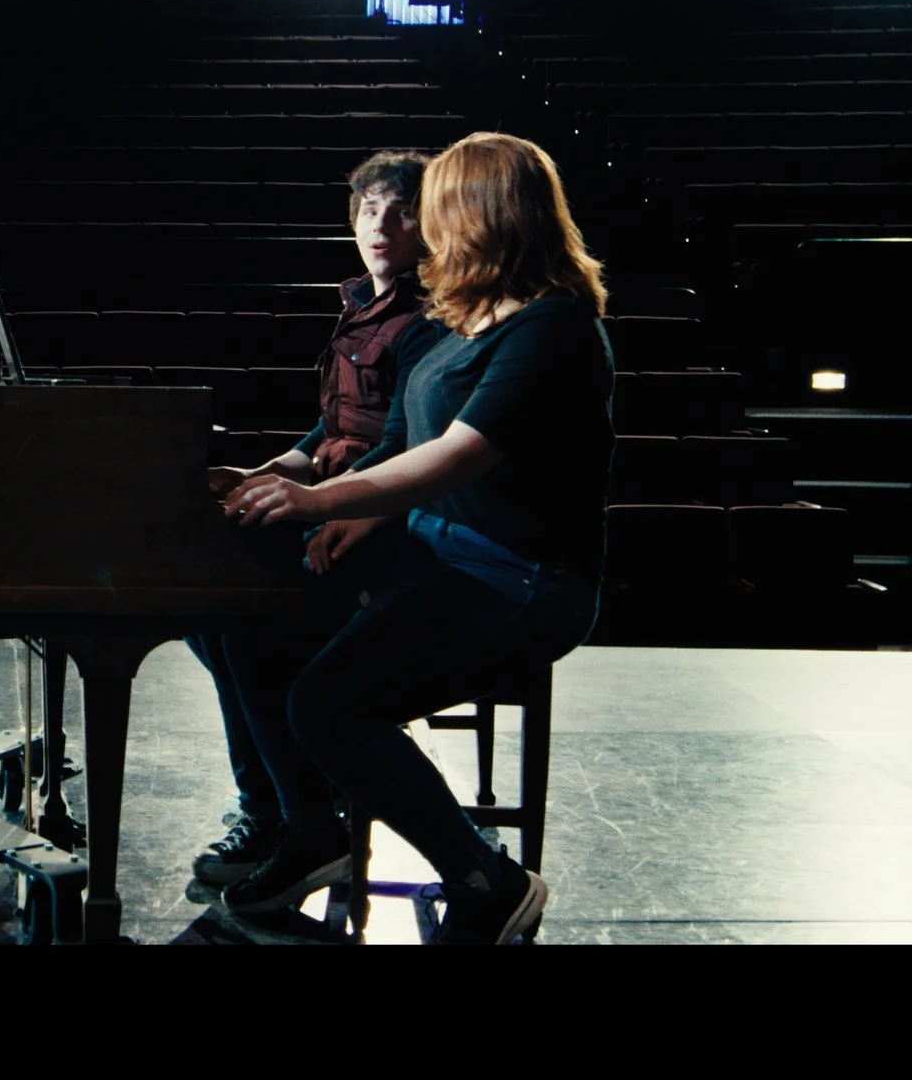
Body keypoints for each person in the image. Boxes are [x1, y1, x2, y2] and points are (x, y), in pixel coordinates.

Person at [216, 131, 613, 945]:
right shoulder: (460, 320)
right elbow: (401, 437)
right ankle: (310, 831)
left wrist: (321, 500)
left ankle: (487, 881)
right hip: (432, 551)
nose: (419, 226)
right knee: (248, 616)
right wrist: (330, 504)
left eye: (432, 207)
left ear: (483, 213)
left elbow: (456, 457)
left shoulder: (554, 326)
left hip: (517, 580)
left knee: (327, 705)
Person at [188, 149, 436, 888]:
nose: (382, 226)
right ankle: (274, 800)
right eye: (370, 210)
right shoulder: (359, 305)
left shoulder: (429, 319)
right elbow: (330, 427)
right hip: (335, 502)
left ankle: (298, 815)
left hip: (383, 524)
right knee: (205, 606)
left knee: (241, 616)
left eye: (402, 212)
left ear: (433, 224)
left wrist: (320, 497)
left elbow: (403, 445)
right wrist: (266, 472)